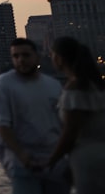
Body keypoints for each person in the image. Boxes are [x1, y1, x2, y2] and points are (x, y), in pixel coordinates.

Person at [0, 37, 69, 194]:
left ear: (37, 57)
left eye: (25, 55)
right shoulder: (3, 83)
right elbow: (2, 126)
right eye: (16, 56)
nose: (21, 60)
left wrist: (61, 157)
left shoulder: (53, 85)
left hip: (56, 163)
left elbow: (64, 124)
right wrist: (23, 157)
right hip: (22, 164)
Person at [46, 36, 105, 194]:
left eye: (51, 55)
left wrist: (51, 160)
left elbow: (70, 132)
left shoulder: (75, 88)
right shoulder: (95, 84)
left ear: (59, 58)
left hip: (87, 158)